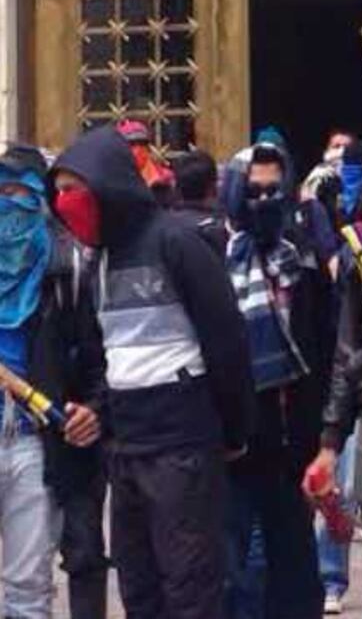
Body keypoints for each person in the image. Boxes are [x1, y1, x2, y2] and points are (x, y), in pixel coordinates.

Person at [50, 126, 252, 619]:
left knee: (189, 589)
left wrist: (234, 429)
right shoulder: (97, 262)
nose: (63, 202)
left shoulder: (175, 243)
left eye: (72, 190)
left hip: (181, 448)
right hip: (127, 452)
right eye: (56, 193)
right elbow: (108, 361)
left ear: (107, 184)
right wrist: (96, 411)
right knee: (139, 590)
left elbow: (226, 341)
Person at [219, 142, 329, 619]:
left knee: (292, 574)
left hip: (291, 447)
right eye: (253, 191)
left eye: (272, 191)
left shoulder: (297, 257)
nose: (263, 201)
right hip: (235, 452)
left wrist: (324, 438)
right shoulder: (209, 257)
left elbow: (322, 343)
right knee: (242, 575)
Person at [0, 145, 108, 619]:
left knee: (28, 586)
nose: (10, 206)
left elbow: (100, 355)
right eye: (0, 192)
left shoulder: (71, 269)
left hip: (33, 438)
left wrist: (95, 408)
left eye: (21, 193)